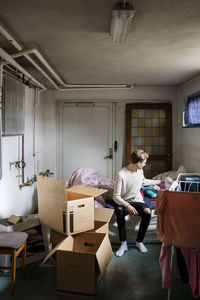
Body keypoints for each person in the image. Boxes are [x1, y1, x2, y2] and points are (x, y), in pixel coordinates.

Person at [113, 149, 162, 256]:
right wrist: (127, 205)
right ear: (138, 163)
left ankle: (139, 242)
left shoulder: (139, 171)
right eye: (144, 163)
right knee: (119, 211)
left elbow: (143, 182)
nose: (145, 165)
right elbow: (115, 196)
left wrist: (160, 181)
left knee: (147, 212)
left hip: (137, 200)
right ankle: (123, 244)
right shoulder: (121, 174)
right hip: (124, 201)